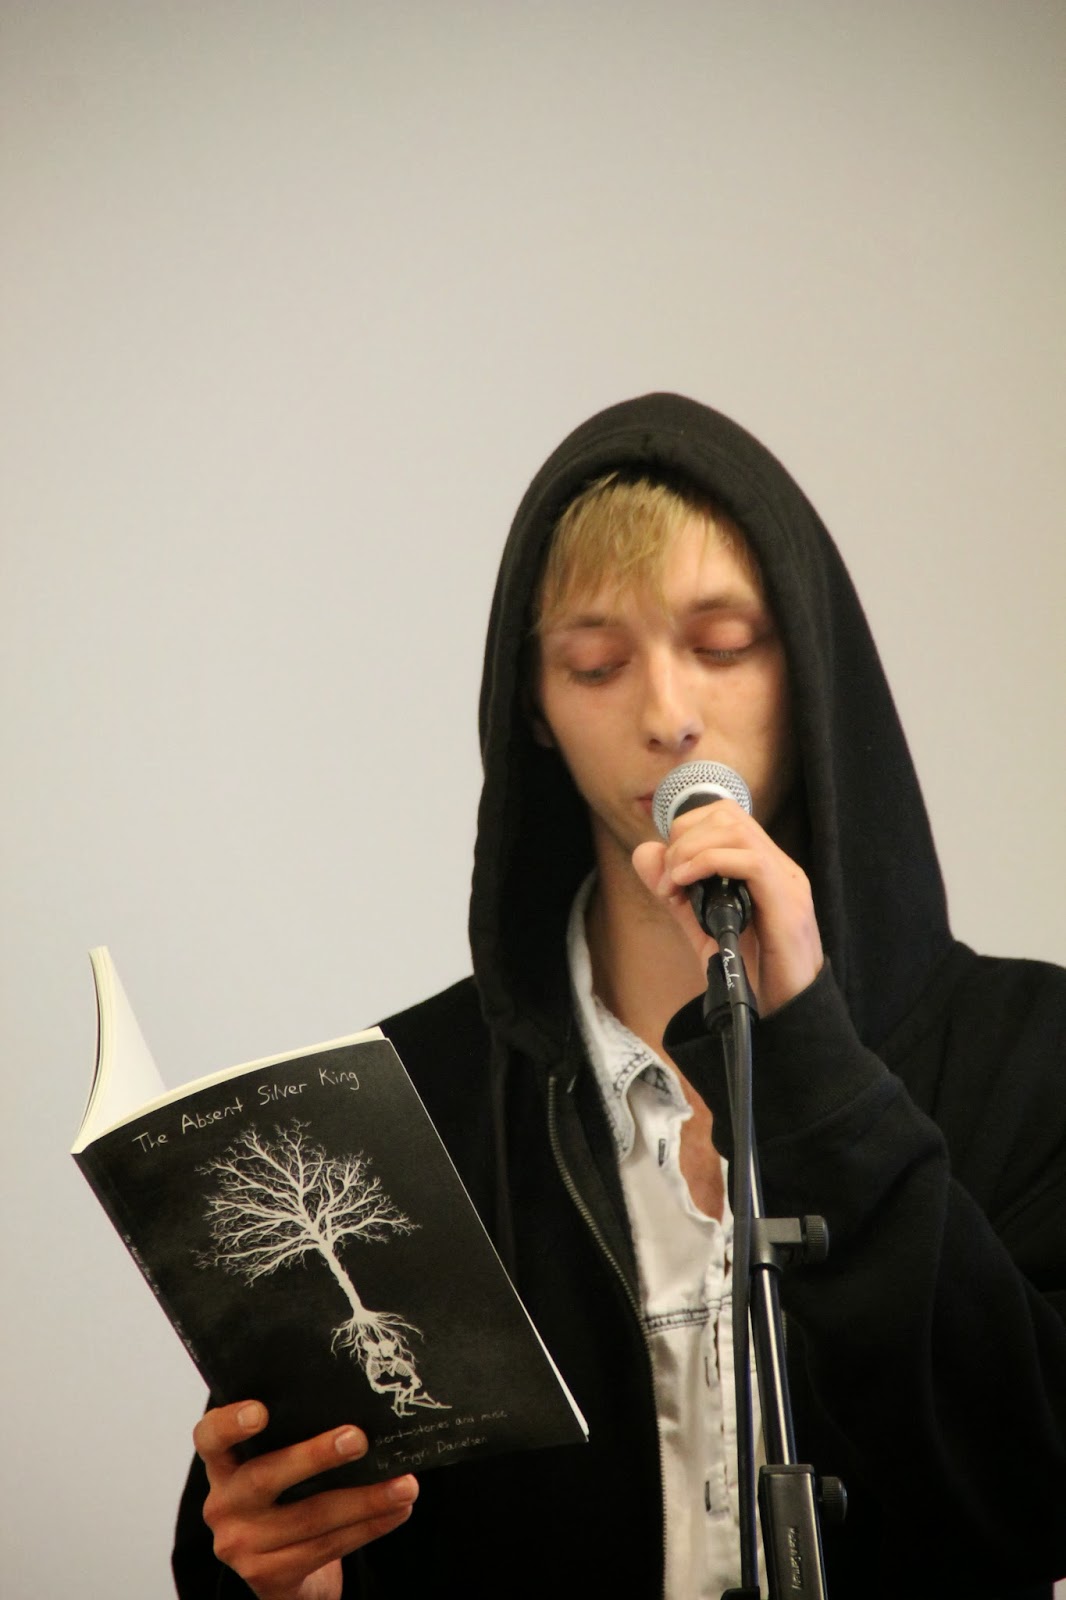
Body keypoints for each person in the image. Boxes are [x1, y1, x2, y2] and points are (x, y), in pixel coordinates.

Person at [173, 393, 1066, 1599]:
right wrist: (270, 1574)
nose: (666, 716)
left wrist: (811, 1060)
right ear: (534, 709)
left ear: (809, 668)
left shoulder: (1030, 1054)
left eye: (723, 644)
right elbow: (290, 1528)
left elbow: (1035, 1491)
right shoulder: (398, 1105)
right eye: (596, 664)